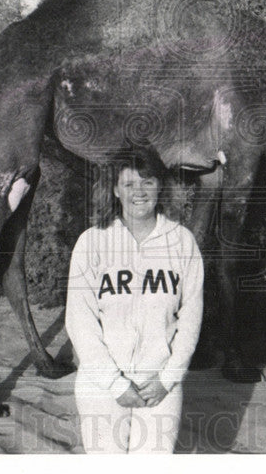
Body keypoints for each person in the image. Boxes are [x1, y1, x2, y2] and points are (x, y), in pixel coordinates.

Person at [65, 147, 204, 453]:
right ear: (115, 189)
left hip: (160, 386)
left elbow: (191, 317)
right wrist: (114, 383)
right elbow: (80, 322)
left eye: (148, 182)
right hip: (101, 386)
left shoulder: (182, 242)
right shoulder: (92, 243)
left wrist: (168, 378)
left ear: (160, 186)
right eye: (129, 184)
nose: (139, 193)